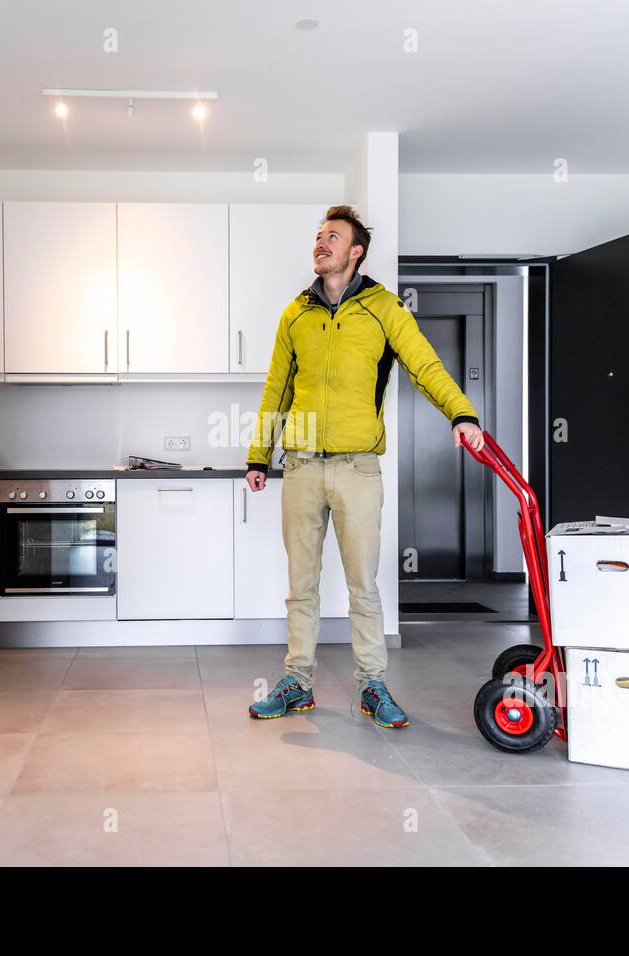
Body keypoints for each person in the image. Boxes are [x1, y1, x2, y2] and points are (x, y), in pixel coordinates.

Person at [244, 204, 483, 728]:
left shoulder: (383, 308)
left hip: (357, 469)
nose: (321, 243)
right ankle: (297, 683)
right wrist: (260, 454)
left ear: (356, 252)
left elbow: (424, 364)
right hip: (302, 467)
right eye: (318, 236)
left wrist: (461, 413)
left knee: (363, 587)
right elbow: (275, 389)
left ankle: (373, 685)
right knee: (300, 585)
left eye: (333, 237)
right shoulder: (295, 314)